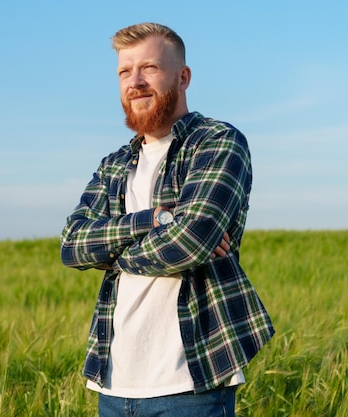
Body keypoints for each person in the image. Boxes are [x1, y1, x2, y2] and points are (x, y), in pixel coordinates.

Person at [60, 22, 274, 417]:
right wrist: (152, 220)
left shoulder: (217, 142)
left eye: (150, 68)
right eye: (125, 72)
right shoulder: (114, 164)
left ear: (183, 76)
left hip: (191, 385)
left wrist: (111, 255)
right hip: (113, 383)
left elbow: (188, 242)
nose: (135, 82)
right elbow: (72, 246)